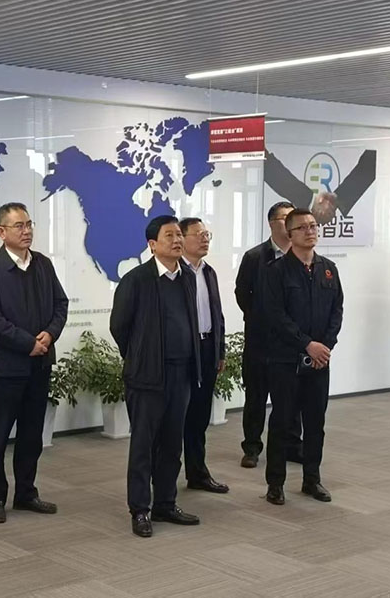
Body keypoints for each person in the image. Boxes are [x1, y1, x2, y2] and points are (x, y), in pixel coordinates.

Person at [0, 202, 68, 524]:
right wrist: (28, 343)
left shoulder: (43, 264)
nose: (26, 231)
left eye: (29, 224)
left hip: (39, 366)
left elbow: (60, 304)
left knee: (31, 435)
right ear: (2, 232)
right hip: (5, 369)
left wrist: (50, 334)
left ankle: (26, 493)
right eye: (19, 226)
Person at [110, 215, 201, 538]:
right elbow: (119, 327)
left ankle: (165, 502)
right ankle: (140, 509)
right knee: (144, 445)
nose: (177, 240)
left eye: (179, 235)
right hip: (147, 376)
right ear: (152, 244)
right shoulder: (136, 280)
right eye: (169, 236)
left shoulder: (188, 277)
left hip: (181, 373)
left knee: (172, 443)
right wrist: (139, 357)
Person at [263, 208, 343, 506]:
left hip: (319, 362)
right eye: (303, 228)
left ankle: (312, 479)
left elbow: (337, 311)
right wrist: (307, 344)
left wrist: (324, 347)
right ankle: (275, 483)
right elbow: (275, 316)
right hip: (286, 361)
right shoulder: (276, 271)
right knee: (282, 422)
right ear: (289, 233)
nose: (310, 231)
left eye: (313, 226)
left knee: (315, 422)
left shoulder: (328, 269)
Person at [234, 202, 302, 468]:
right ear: (272, 223)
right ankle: (252, 447)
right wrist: (261, 318)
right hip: (260, 341)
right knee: (256, 397)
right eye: (285, 218)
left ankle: (292, 445)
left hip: (292, 342)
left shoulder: (301, 256)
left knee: (292, 398)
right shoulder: (254, 257)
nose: (290, 222)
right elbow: (242, 293)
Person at [179, 218, 229, 494]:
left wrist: (220, 350)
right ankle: (164, 479)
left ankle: (197, 472)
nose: (204, 238)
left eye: (206, 234)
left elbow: (217, 314)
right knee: (175, 417)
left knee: (199, 416)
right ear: (182, 238)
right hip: (183, 351)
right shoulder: (175, 273)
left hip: (207, 347)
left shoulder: (209, 272)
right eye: (198, 234)